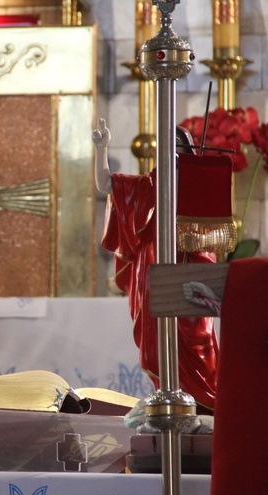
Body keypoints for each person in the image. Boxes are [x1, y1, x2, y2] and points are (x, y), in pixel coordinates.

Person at [92, 117, 219, 411]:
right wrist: (102, 147)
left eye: (179, 147)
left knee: (197, 344)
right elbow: (105, 184)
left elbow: (212, 238)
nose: (173, 154)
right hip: (154, 273)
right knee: (156, 349)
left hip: (190, 275)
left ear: (189, 152)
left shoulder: (198, 188)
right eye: (168, 148)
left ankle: (203, 403)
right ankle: (168, 402)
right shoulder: (147, 187)